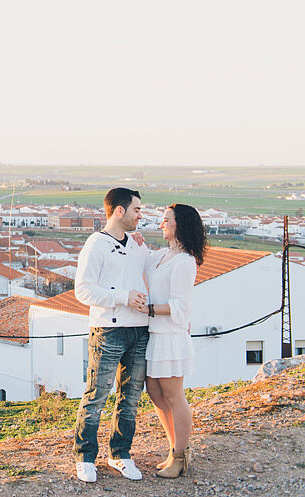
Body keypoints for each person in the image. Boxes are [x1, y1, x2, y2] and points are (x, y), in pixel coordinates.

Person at [71, 187, 150, 483]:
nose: (140, 215)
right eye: (136, 210)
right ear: (120, 211)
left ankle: (120, 454)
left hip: (139, 331)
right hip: (108, 330)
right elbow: (83, 290)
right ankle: (85, 457)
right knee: (97, 395)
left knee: (130, 398)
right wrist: (123, 297)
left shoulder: (138, 244)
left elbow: (151, 272)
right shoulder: (95, 245)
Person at [140, 203, 205, 478]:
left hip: (170, 336)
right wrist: (137, 242)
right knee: (155, 394)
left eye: (166, 220)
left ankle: (181, 456)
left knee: (174, 396)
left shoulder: (185, 262)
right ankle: (172, 450)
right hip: (156, 334)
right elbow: (143, 260)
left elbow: (181, 306)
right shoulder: (162, 256)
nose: (161, 224)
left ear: (180, 224)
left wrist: (150, 309)